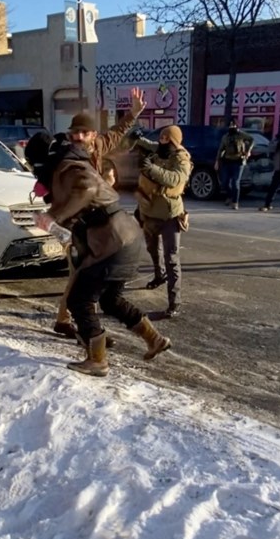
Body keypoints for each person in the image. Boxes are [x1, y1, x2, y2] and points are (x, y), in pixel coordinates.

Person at [28, 132, 171, 377]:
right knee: (110, 300)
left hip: (112, 241)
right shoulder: (71, 164)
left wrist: (54, 217)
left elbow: (89, 187)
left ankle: (97, 359)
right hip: (125, 237)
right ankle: (154, 339)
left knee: (79, 300)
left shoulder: (67, 167)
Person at [52, 87, 146, 339]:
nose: (80, 137)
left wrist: (133, 113)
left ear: (93, 134)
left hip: (97, 225)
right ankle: (82, 327)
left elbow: (118, 132)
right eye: (75, 133)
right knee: (82, 276)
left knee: (84, 276)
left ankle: (70, 321)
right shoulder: (64, 155)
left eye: (85, 132)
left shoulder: (100, 146)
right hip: (78, 224)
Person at [134, 125, 192, 318]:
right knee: (152, 249)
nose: (161, 141)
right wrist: (136, 135)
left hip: (170, 215)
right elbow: (147, 144)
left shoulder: (181, 159)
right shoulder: (159, 149)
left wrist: (152, 168)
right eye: (160, 137)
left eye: (165, 138)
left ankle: (175, 302)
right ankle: (159, 276)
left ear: (174, 141)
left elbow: (175, 179)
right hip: (149, 211)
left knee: (172, 259)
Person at [214, 121, 254, 209]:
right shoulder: (225, 137)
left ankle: (235, 202)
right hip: (227, 161)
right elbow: (221, 149)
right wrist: (217, 161)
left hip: (238, 161)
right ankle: (229, 196)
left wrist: (248, 151)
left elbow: (251, 139)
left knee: (235, 182)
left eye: (233, 125)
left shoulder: (241, 135)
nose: (232, 127)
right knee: (224, 182)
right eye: (230, 125)